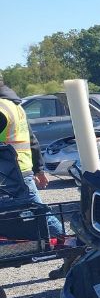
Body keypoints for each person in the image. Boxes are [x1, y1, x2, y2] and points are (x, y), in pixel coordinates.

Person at [0, 73, 63, 236]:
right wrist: (38, 169)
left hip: (10, 175)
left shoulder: (1, 108)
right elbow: (31, 138)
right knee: (37, 213)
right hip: (18, 171)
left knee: (40, 214)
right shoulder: (14, 105)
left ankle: (74, 244)